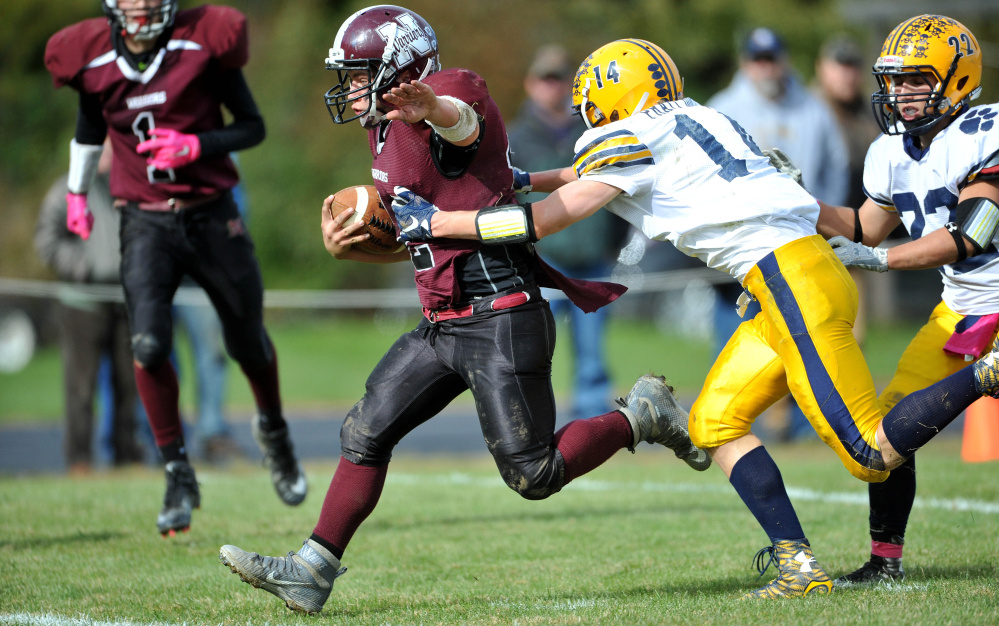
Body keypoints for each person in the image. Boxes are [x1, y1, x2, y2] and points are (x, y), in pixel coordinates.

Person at [389, 37, 999, 599]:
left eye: (594, 102)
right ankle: (797, 565)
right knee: (715, 423)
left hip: (789, 279)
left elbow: (540, 223)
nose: (590, 115)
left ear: (613, 95)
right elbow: (590, 174)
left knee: (868, 451)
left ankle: (987, 373)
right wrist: (524, 179)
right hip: (790, 276)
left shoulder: (630, 137)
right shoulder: (698, 117)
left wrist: (435, 223)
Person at [217, 6, 709, 615]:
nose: (348, 88)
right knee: (365, 431)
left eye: (358, 73)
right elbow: (425, 241)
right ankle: (312, 569)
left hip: (501, 314)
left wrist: (435, 110)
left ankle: (643, 416)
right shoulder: (384, 127)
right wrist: (355, 246)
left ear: (400, 69)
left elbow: (464, 123)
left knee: (534, 473)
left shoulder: (449, 93)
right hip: (443, 320)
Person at [44, 0, 307, 536]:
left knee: (247, 341)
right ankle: (177, 473)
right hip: (144, 223)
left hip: (212, 214)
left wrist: (195, 145)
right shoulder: (90, 56)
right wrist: (75, 192)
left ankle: (275, 436)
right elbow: (90, 126)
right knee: (147, 346)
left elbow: (251, 127)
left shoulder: (203, 40)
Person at [815, 15, 999, 586]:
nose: (900, 93)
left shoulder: (985, 131)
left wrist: (882, 260)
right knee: (892, 432)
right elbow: (865, 227)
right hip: (958, 310)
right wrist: (794, 201)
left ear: (958, 79)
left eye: (916, 80)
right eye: (894, 80)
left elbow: (973, 231)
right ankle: (884, 562)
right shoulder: (889, 152)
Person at [707, 27, 850, 441]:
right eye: (757, 58)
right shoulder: (721, 107)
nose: (765, 66)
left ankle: (810, 428)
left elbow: (835, 168)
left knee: (809, 337)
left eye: (772, 57)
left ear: (784, 59)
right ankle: (738, 425)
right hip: (741, 248)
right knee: (740, 339)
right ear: (744, 61)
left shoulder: (813, 108)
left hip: (802, 242)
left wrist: (825, 222)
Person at [508, 44, 626, 420]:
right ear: (530, 84)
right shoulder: (514, 136)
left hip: (594, 259)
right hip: (541, 259)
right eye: (545, 78)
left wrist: (613, 246)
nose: (552, 87)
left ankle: (592, 422)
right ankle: (528, 417)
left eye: (559, 79)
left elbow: (619, 187)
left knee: (592, 352)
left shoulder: (594, 129)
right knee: (531, 345)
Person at [34, 140, 145, 473]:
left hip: (125, 299)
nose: (108, 157)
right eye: (102, 150)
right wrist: (81, 266)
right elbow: (46, 240)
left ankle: (127, 455)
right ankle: (80, 459)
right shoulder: (66, 189)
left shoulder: (128, 188)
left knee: (130, 383)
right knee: (81, 386)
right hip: (81, 301)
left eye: (113, 150)